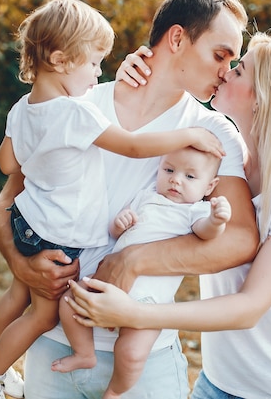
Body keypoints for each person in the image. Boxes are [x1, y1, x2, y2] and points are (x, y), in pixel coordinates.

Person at [0, 0, 259, 399]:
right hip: (53, 346)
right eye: (220, 54)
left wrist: (132, 259)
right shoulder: (79, 102)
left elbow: (241, 238)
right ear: (176, 38)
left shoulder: (213, 132)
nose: (226, 70)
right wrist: (19, 263)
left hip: (142, 360)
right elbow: (8, 199)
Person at [67, 31, 271, 399]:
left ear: (262, 100)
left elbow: (248, 308)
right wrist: (139, 73)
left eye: (239, 71)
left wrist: (134, 315)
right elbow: (165, 103)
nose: (225, 73)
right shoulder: (227, 159)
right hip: (219, 379)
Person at [52, 147, 232, 398]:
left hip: (148, 303)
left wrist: (217, 220)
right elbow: (117, 233)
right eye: (168, 170)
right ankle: (84, 354)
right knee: (70, 300)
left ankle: (115, 391)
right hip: (107, 284)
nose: (176, 179)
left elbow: (205, 232)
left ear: (210, 186)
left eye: (190, 177)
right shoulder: (146, 196)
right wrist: (121, 222)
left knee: (133, 352)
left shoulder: (194, 211)